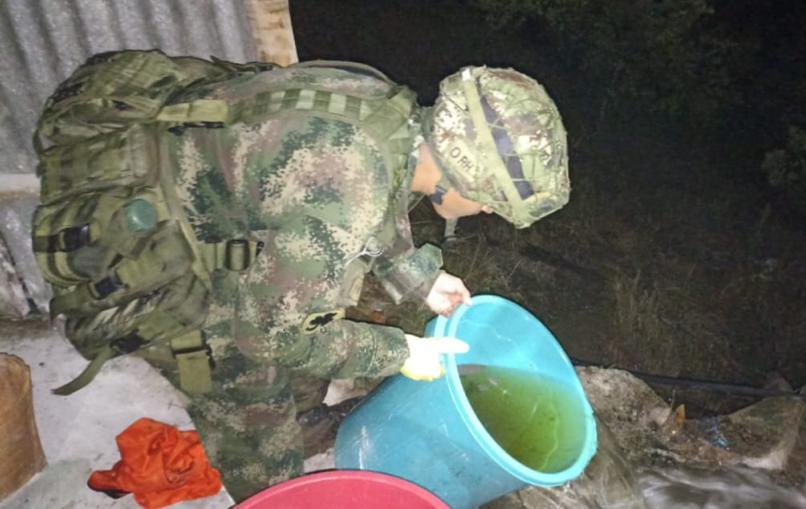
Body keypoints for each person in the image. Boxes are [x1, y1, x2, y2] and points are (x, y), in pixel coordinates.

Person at [35, 52, 570, 500]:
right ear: (464, 174)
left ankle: (304, 414)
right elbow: (270, 333)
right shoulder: (346, 183)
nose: (482, 215)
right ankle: (269, 489)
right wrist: (401, 353)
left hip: (209, 217)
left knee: (310, 316)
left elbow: (374, 202)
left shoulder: (391, 114)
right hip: (145, 258)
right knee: (249, 394)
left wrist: (419, 277)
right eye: (488, 206)